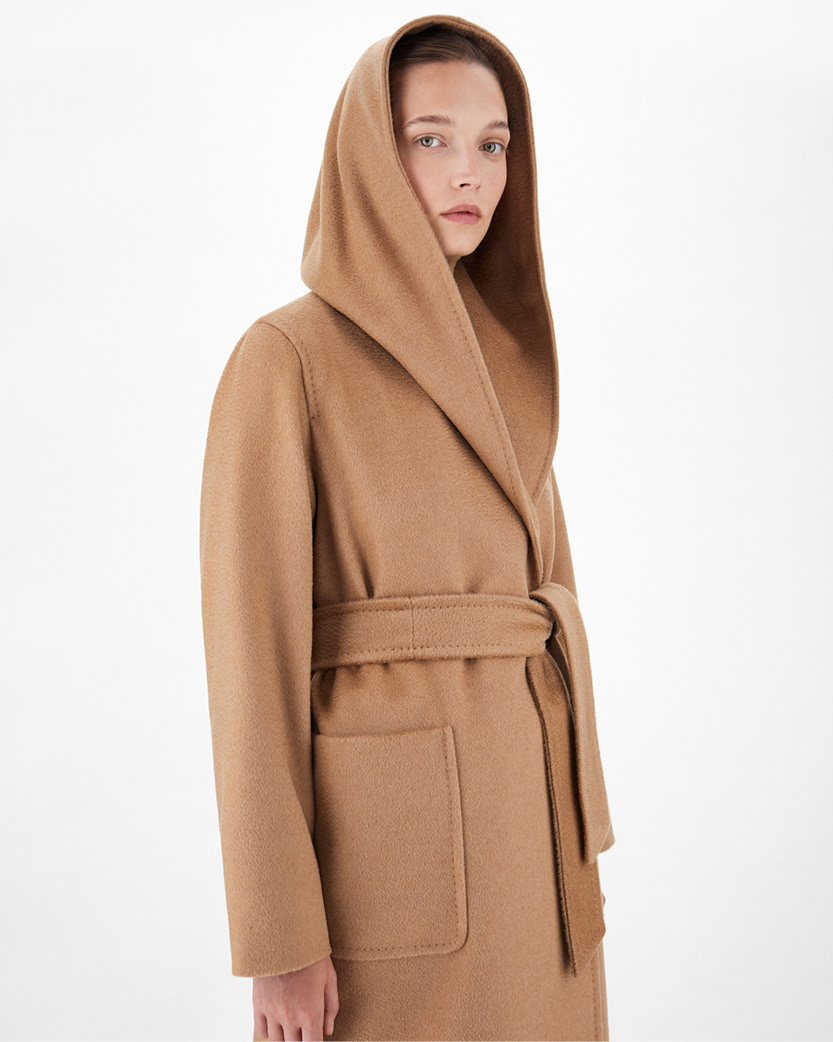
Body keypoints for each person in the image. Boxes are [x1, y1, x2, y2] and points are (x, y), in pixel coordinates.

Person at [199, 14, 616, 1042]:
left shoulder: (509, 358)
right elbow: (250, 661)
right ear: (366, 157)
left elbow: (547, 591)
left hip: (534, 837)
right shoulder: (285, 359)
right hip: (392, 864)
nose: (469, 171)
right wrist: (278, 934)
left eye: (492, 143)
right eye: (429, 138)